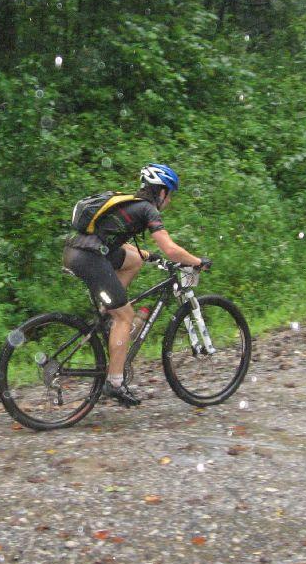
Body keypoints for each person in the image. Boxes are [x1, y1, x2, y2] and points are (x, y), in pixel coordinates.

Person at [63, 164, 210, 407]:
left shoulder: (131, 205)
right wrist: (198, 262)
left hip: (78, 251)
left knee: (133, 261)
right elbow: (172, 249)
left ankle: (108, 313)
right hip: (89, 258)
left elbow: (121, 246)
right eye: (169, 195)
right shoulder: (147, 210)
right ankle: (115, 383)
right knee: (125, 317)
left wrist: (151, 257)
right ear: (161, 192)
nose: (169, 201)